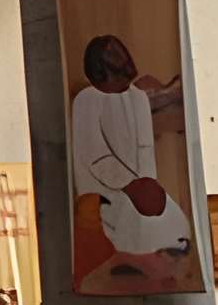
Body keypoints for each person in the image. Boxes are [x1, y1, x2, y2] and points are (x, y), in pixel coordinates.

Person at [71, 33, 191, 270]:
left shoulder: (138, 97)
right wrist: (130, 186)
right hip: (103, 191)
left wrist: (148, 185)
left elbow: (145, 150)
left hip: (140, 187)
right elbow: (95, 155)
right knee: (130, 234)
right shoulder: (85, 101)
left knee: (172, 226)